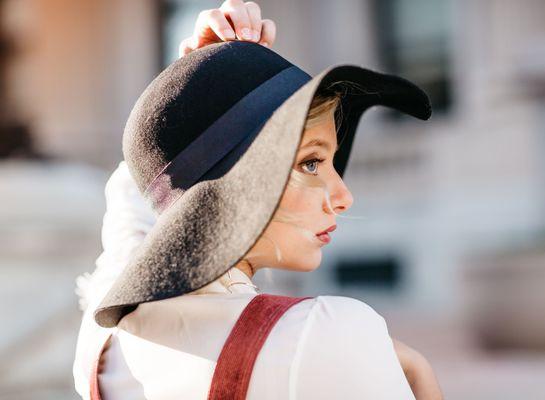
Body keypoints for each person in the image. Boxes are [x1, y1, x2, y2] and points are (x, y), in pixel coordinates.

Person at [73, 1, 443, 399]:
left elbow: (138, 198)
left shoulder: (104, 341)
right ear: (236, 181)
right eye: (312, 162)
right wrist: (418, 371)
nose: (343, 197)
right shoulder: (328, 334)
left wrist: (199, 86)